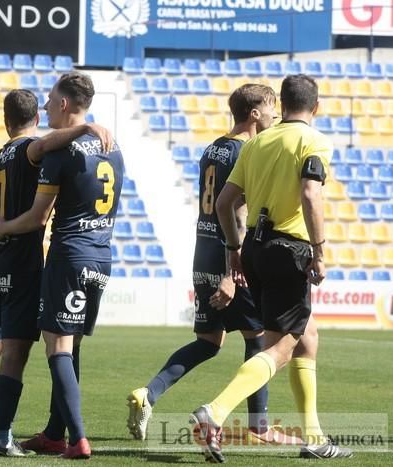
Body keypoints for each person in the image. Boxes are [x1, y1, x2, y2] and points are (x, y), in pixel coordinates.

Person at [127, 84, 302, 446]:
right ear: (255, 114)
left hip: (202, 250)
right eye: (271, 109)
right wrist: (230, 271)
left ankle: (149, 393)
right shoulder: (247, 149)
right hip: (228, 254)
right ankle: (259, 427)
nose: (274, 116)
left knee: (208, 341)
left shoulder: (213, 147)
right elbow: (236, 212)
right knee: (258, 339)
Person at [190, 74, 353, 462]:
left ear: (281, 105)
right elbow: (311, 193)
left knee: (305, 334)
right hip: (288, 248)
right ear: (316, 107)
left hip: (255, 250)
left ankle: (313, 436)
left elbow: (225, 202)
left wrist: (233, 248)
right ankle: (214, 412)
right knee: (281, 347)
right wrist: (320, 250)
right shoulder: (314, 141)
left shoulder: (259, 142)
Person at [0, 89, 112, 456]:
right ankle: (1, 438)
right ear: (34, 119)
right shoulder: (31, 149)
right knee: (15, 352)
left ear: (5, 119)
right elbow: (44, 146)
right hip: (20, 262)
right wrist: (85, 127)